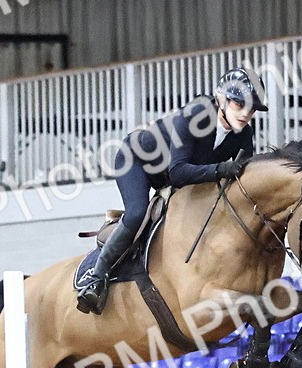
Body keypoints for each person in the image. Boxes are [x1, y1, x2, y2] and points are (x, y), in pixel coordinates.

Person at [76, 66, 269, 314]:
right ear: (221, 99)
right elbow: (178, 171)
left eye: (251, 109)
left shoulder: (244, 133)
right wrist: (221, 169)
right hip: (137, 162)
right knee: (137, 213)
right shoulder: (194, 116)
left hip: (177, 178)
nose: (245, 114)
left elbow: (242, 179)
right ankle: (96, 276)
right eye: (239, 105)